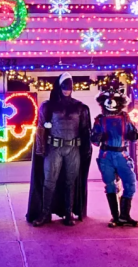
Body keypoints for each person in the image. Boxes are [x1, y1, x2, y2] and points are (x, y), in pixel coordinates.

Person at [27, 72, 92, 227]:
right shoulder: (48, 106)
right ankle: (45, 213)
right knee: (49, 181)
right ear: (59, 86)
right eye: (64, 87)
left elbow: (85, 130)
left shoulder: (80, 107)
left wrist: (86, 149)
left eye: (69, 87)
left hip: (73, 148)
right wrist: (41, 149)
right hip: (53, 148)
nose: (67, 90)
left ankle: (68, 214)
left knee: (71, 182)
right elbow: (41, 128)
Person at [91, 80, 138, 227]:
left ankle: (125, 215)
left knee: (130, 184)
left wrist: (134, 135)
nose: (111, 102)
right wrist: (97, 138)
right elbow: (94, 141)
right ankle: (115, 217)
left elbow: (134, 136)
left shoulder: (126, 118)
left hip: (122, 155)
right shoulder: (100, 120)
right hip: (106, 156)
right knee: (110, 186)